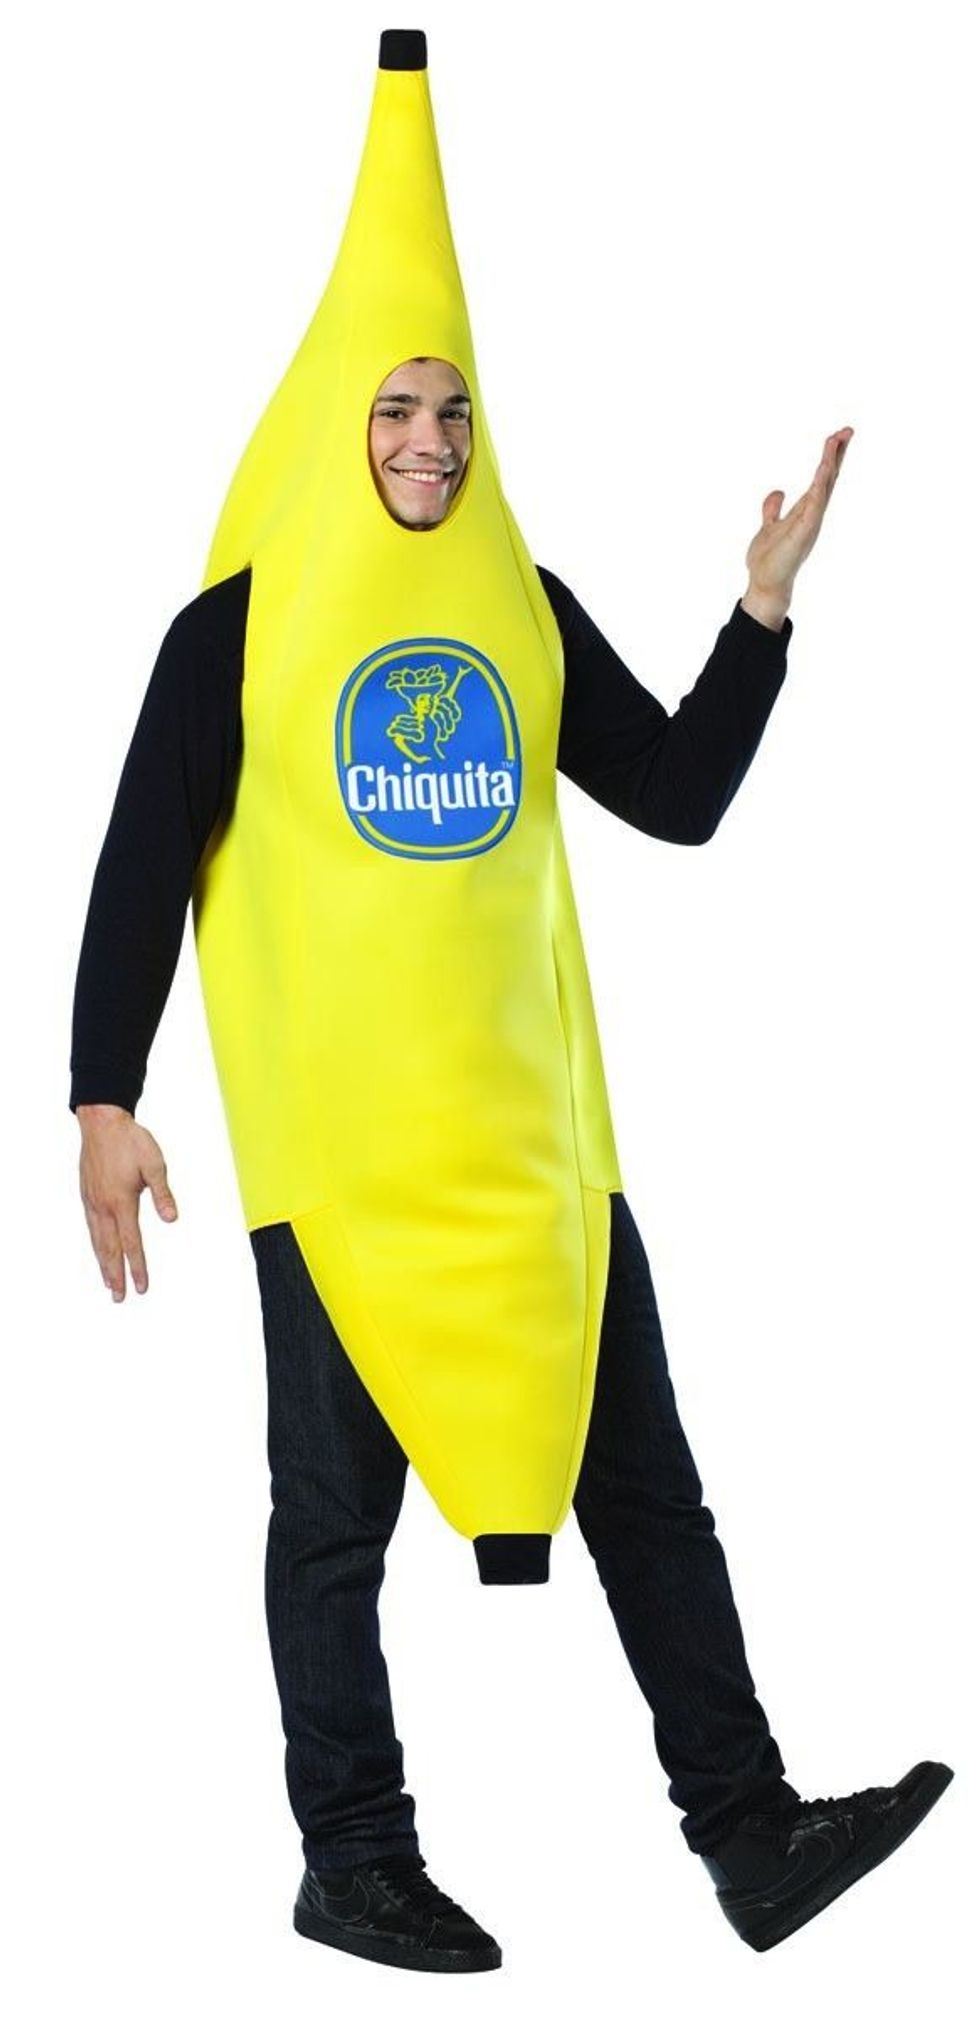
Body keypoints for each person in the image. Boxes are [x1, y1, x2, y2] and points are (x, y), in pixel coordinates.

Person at [70, 357, 951, 1969]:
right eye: (395, 410)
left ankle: (751, 1835)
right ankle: (353, 1858)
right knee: (332, 1521)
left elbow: (674, 795)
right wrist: (102, 1096)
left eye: (453, 413)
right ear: (338, 426)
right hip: (343, 1165)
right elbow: (144, 857)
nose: (429, 443)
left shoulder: (518, 607)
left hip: (539, 1151)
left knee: (648, 1492)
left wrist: (759, 611)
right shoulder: (237, 631)